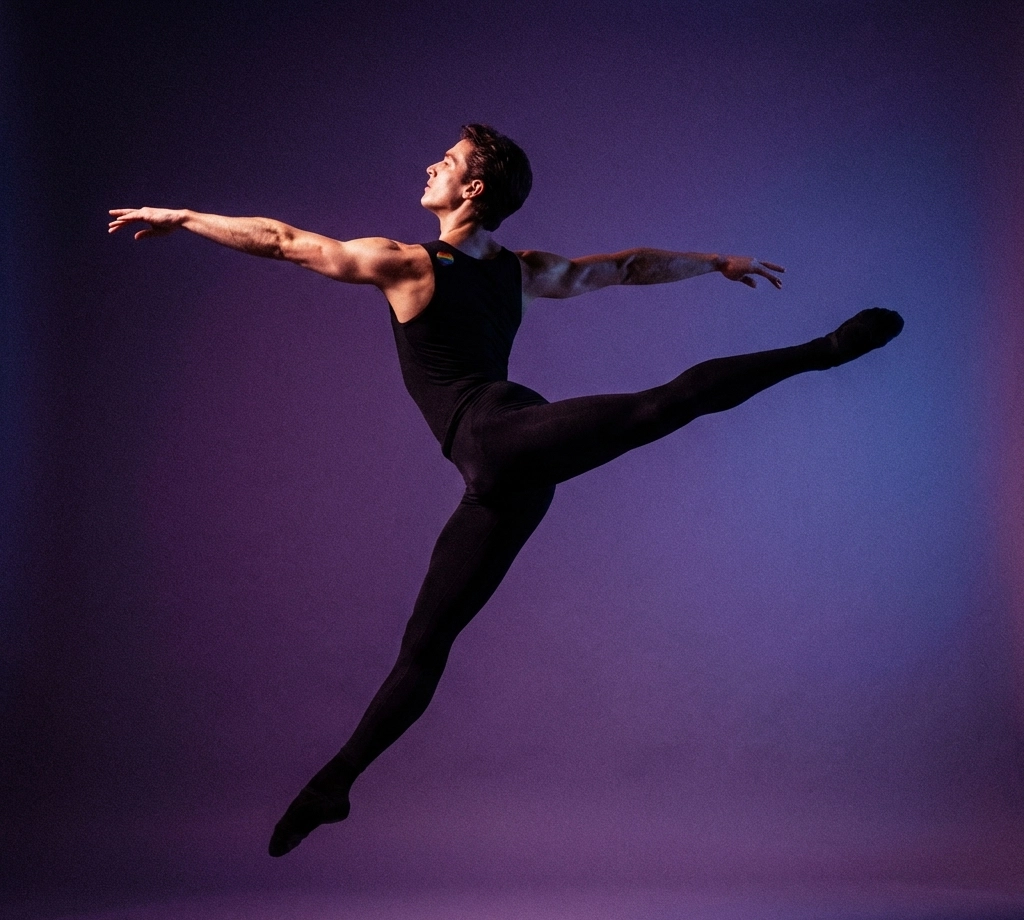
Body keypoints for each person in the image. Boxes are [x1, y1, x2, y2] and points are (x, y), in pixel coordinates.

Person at [109, 123, 903, 858]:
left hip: (501, 439)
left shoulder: (411, 262)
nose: (431, 166)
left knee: (657, 407)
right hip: (502, 476)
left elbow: (285, 242)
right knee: (425, 645)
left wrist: (184, 217)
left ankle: (824, 351)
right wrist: (713, 262)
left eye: (447, 161)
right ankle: (335, 784)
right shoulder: (514, 271)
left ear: (473, 189)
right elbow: (624, 267)